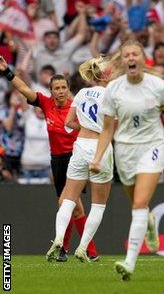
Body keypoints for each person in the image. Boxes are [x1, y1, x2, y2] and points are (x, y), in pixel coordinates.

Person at [90, 41, 164, 281]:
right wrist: (97, 158)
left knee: (139, 203)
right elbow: (106, 129)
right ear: (122, 61)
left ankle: (130, 262)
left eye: (135, 54)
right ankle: (150, 222)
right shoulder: (113, 89)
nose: (131, 58)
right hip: (124, 150)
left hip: (153, 147)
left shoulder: (159, 87)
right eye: (126, 55)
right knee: (138, 203)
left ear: (144, 59)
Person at [0, 56, 97, 262]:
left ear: (68, 88)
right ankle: (74, 250)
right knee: (70, 206)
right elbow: (25, 90)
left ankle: (78, 250)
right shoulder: (47, 105)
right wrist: (7, 72)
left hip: (75, 158)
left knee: (69, 204)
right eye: (56, 88)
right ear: (51, 90)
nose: (60, 91)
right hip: (57, 161)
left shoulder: (76, 106)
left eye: (63, 87)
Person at [46, 55, 118, 262]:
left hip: (80, 146)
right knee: (98, 205)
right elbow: (112, 129)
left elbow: (69, 122)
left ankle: (59, 238)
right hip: (100, 148)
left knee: (68, 199)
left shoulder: (81, 93)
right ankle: (83, 247)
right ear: (106, 75)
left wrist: (86, 126)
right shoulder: (111, 96)